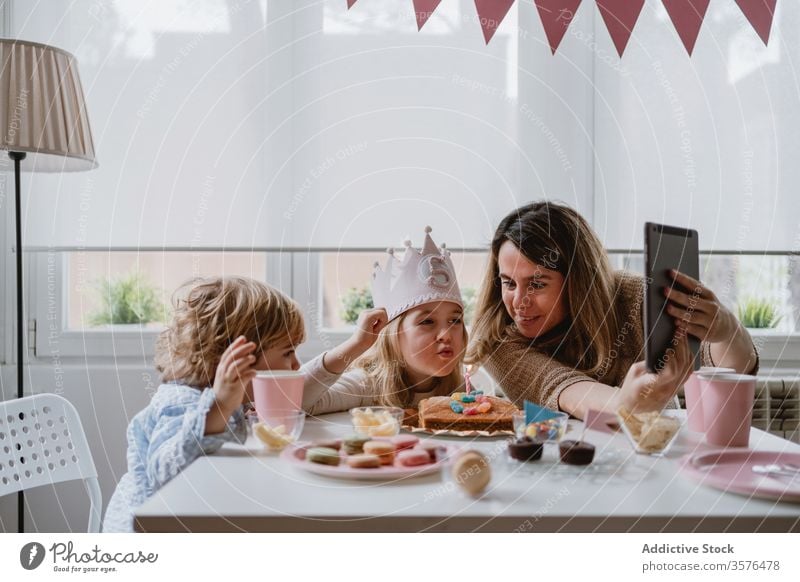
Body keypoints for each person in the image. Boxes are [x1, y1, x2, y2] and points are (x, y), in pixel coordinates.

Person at [466, 201, 758, 420]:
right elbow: (567, 391)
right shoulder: (497, 339)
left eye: (537, 284)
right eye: (508, 283)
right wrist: (625, 405)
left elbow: (731, 369)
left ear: (578, 282)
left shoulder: (632, 296)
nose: (518, 302)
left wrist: (726, 330)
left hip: (654, 458)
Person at [102, 276, 347, 532]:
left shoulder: (232, 399)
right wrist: (219, 406)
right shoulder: (181, 401)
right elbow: (168, 472)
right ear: (239, 355)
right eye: (288, 352)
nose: (296, 364)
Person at [303, 227, 472, 414]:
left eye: (455, 320)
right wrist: (356, 344)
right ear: (392, 333)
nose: (446, 335)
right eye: (427, 322)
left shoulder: (462, 388)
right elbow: (291, 401)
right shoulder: (367, 386)